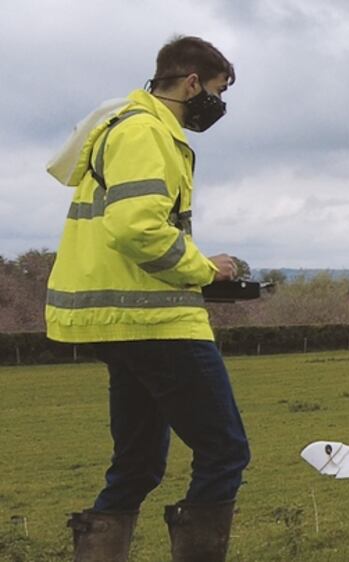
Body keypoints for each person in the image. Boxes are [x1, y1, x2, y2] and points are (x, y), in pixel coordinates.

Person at [46, 36, 251, 562]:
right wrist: (205, 269)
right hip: (153, 322)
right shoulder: (146, 133)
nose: (216, 105)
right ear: (190, 83)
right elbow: (138, 229)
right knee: (225, 452)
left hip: (119, 321)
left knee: (136, 467)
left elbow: (136, 229)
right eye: (216, 91)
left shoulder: (125, 127)